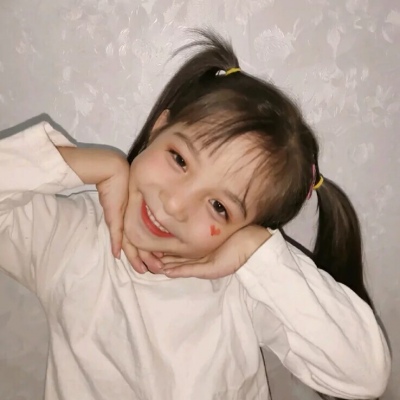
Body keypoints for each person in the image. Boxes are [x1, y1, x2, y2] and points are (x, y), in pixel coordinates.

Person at [0, 30, 390, 400]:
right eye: (179, 159)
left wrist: (258, 252)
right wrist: (91, 164)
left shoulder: (242, 286)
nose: (174, 205)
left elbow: (364, 375)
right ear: (159, 128)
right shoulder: (72, 238)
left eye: (219, 207)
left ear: (245, 231)